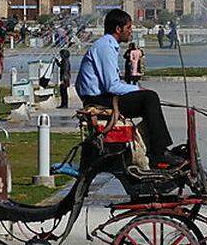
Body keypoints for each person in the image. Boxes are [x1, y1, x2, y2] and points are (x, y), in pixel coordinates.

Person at [76, 9, 180, 167]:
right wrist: (138, 91)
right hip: (98, 99)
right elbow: (111, 85)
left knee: (148, 100)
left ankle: (151, 146)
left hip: (104, 96)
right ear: (118, 29)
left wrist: (137, 90)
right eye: (129, 28)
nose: (131, 32)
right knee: (149, 98)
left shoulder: (109, 45)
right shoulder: (105, 47)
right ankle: (159, 153)